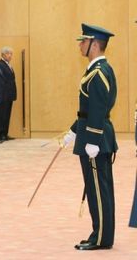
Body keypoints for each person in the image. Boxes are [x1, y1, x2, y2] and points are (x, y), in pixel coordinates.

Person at [63, 23, 117, 251]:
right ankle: (99, 233)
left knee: (98, 190)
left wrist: (92, 140)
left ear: (94, 44)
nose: (80, 45)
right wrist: (75, 130)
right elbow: (88, 109)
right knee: (96, 188)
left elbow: (98, 108)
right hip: (91, 134)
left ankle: (102, 238)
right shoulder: (97, 69)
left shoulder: (97, 72)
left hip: (96, 139)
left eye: (83, 41)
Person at [0, 46, 17, 141]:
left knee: (7, 115)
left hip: (9, 94)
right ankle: (0, 134)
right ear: (3, 54)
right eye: (8, 54)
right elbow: (1, 81)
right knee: (2, 115)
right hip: (4, 95)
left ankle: (5, 133)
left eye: (11, 54)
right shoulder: (0, 65)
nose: (10, 56)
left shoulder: (9, 64)